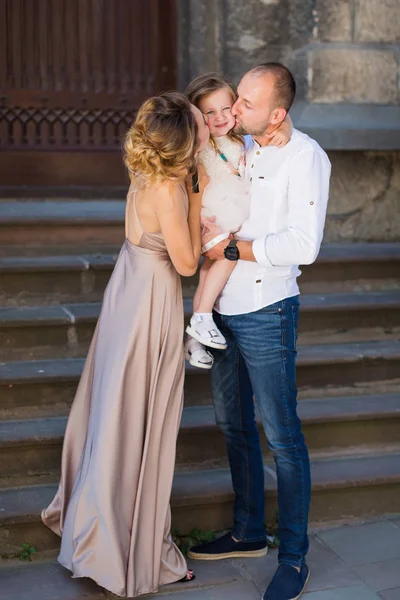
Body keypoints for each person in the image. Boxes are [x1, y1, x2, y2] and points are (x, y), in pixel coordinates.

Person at [41, 91, 210, 598]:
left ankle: (96, 532)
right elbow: (185, 265)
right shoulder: (171, 190)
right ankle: (128, 550)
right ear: (184, 144)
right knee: (139, 419)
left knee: (115, 414)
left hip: (126, 294)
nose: (206, 130)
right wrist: (197, 193)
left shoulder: (143, 173)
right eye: (200, 125)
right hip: (151, 304)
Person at [187, 63, 331, 600]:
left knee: (282, 437)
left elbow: (304, 245)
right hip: (223, 306)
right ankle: (249, 531)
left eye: (246, 103)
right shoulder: (238, 146)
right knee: (234, 427)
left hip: (268, 310)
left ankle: (293, 558)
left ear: (277, 113)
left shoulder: (306, 157)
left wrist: (233, 248)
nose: (235, 110)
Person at [184, 73, 292, 370]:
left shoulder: (241, 138)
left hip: (233, 210)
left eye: (225, 108)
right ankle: (203, 316)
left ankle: (196, 333)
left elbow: (273, 119)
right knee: (229, 254)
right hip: (212, 215)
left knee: (210, 269)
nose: (220, 118)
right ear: (196, 115)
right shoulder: (200, 145)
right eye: (209, 112)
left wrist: (285, 126)